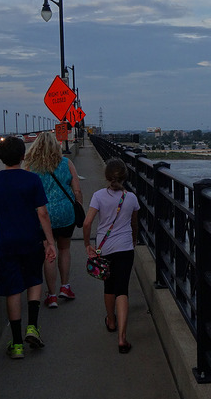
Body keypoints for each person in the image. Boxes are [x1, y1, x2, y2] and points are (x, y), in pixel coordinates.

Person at [0, 136, 56, 359]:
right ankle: (32, 327)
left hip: (7, 243)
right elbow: (42, 213)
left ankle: (16, 345)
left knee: (12, 290)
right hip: (31, 240)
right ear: (23, 156)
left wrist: (0, 238)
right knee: (34, 280)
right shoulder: (32, 180)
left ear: (0, 156)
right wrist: (50, 242)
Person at [83, 158, 139, 353]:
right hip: (125, 248)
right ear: (124, 177)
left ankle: (111, 321)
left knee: (109, 285)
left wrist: (88, 245)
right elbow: (134, 224)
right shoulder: (131, 198)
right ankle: (122, 338)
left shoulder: (98, 196)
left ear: (107, 177)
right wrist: (134, 240)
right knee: (122, 289)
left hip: (105, 249)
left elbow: (87, 223)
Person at [24, 132, 83, 308]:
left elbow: (27, 195)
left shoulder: (31, 167)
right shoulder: (66, 163)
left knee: (48, 253)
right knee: (64, 249)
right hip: (66, 213)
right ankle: (65, 286)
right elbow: (77, 190)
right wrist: (79, 205)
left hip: (43, 215)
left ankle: (52, 295)